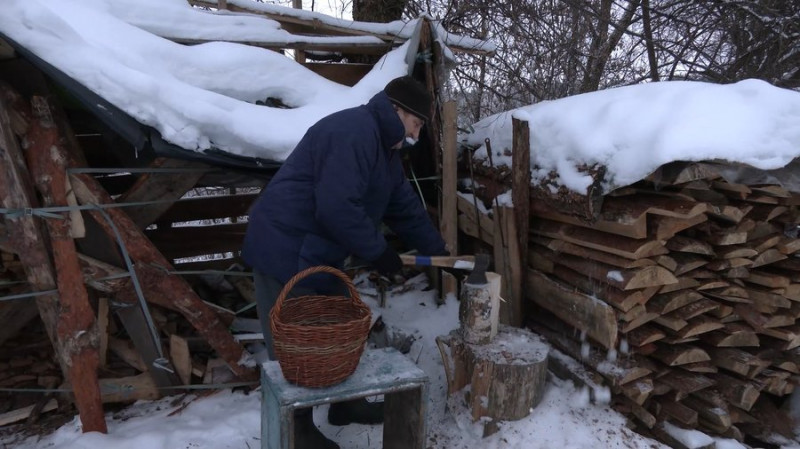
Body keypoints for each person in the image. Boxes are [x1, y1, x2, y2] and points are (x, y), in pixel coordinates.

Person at [242, 75, 448, 448]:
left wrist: (439, 252)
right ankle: (299, 425)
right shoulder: (353, 132)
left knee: (342, 325)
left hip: (318, 250)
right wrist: (379, 252)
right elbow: (337, 207)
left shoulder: (385, 150)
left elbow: (403, 205)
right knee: (294, 341)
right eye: (416, 125)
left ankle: (346, 405)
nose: (416, 136)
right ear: (398, 111)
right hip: (284, 243)